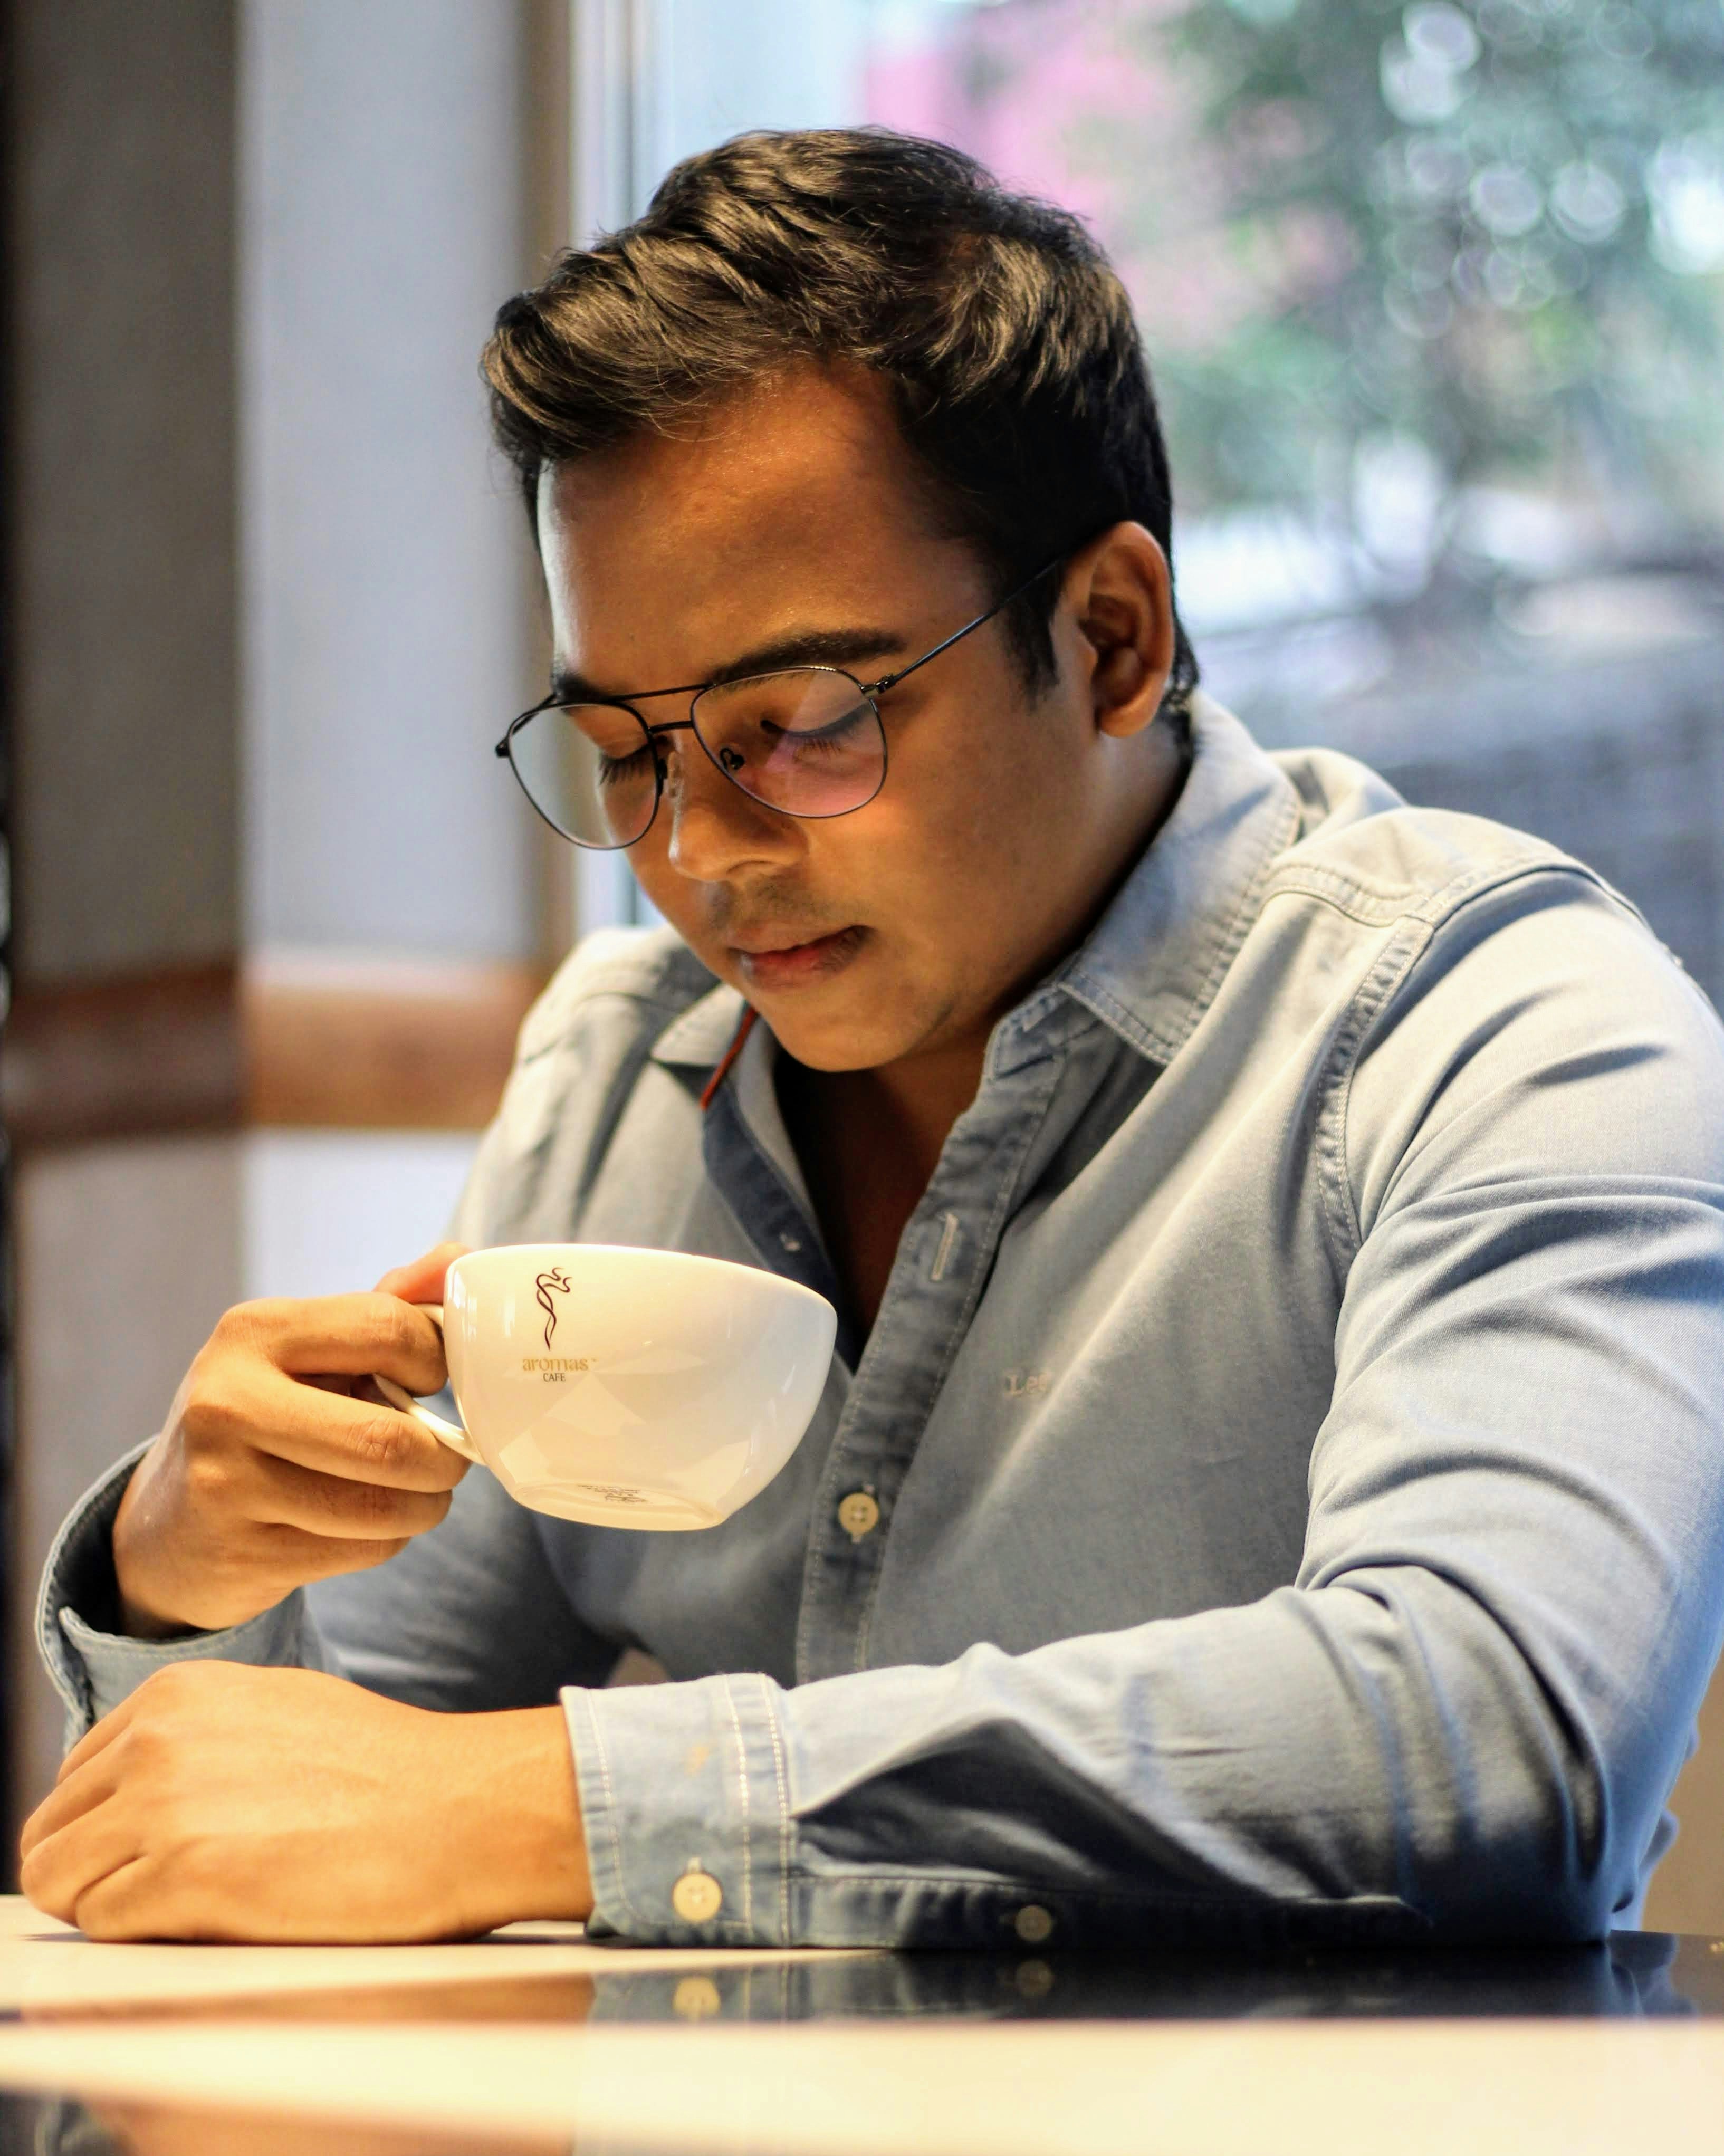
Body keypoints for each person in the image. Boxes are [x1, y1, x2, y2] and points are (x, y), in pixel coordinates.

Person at [22, 130, 1724, 1948]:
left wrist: (570, 1804)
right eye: (623, 752)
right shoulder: (626, 1066)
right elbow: (353, 1780)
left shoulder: (1491, 1022)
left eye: (808, 721)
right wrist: (185, 1581)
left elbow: (1490, 1735)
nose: (696, 858)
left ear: (1113, 637)